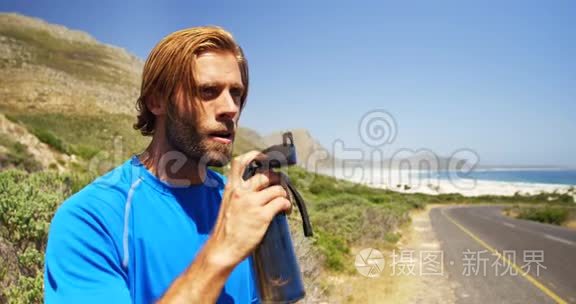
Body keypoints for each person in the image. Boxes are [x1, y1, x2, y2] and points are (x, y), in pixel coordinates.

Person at [44, 26, 292, 304]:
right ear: (157, 101)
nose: (230, 108)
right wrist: (223, 249)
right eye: (208, 91)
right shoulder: (90, 219)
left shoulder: (241, 202)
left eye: (236, 93)